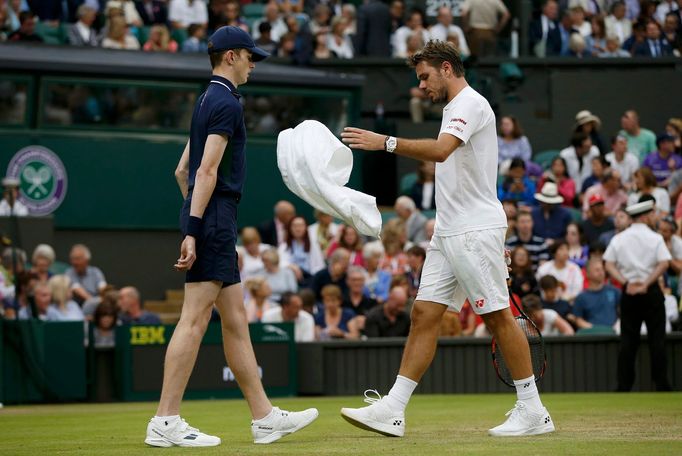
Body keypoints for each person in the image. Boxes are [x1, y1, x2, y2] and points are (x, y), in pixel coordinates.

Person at [339, 40, 554, 437]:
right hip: (448, 230)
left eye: (425, 77)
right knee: (424, 315)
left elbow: (440, 151)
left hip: (474, 230)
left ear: (447, 69)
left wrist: (384, 142)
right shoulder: (454, 109)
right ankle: (394, 409)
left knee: (496, 317)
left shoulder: (470, 103)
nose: (421, 86)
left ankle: (533, 410)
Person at [146, 26, 317, 448]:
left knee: (236, 321)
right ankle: (165, 420)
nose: (253, 62)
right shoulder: (226, 103)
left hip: (212, 215)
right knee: (194, 319)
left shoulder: (206, 99)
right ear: (229, 57)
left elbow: (182, 172)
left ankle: (264, 418)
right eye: (249, 55)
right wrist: (197, 227)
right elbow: (203, 172)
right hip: (215, 218)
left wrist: (192, 213)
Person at [603, 196, 672, 391]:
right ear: (646, 215)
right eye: (652, 213)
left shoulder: (619, 238)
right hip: (650, 292)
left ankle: (624, 386)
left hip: (630, 293)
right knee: (657, 340)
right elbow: (664, 263)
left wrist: (626, 283)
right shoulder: (655, 237)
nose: (654, 216)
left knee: (628, 342)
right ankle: (662, 385)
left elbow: (608, 264)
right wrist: (647, 283)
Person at [572, 258, 621, 331]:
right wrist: (595, 329)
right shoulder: (581, 297)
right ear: (587, 274)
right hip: (591, 335)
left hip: (614, 332)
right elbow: (578, 320)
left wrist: (617, 326)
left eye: (602, 269)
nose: (601, 272)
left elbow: (624, 312)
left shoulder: (614, 291)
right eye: (597, 270)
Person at [278, 215, 325, 286]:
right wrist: (292, 267)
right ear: (290, 228)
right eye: (294, 226)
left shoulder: (313, 245)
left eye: (301, 225)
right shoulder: (284, 246)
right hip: (290, 280)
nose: (298, 229)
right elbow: (279, 263)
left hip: (310, 280)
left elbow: (320, 266)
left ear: (306, 227)